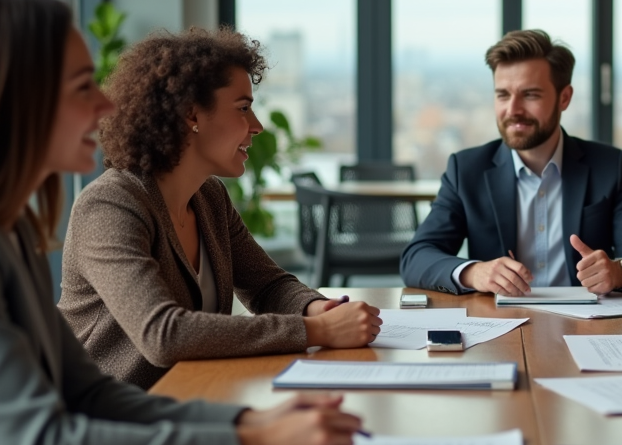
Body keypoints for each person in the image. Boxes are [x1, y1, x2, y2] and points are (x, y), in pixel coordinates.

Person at [0, 0, 365, 445]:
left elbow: (88, 395)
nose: (105, 105)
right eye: (80, 87)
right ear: (16, 101)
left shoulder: (4, 227)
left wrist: (249, 422)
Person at [59, 28, 382, 390]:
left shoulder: (209, 197)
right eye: (243, 109)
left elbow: (267, 286)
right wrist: (315, 330)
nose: (257, 126)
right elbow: (163, 334)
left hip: (192, 400)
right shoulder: (110, 205)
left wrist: (316, 309)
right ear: (191, 114)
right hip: (109, 426)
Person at [400, 29, 622, 296]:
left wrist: (618, 271)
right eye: (503, 95)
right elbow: (416, 257)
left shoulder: (609, 166)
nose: (513, 109)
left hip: (586, 326)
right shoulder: (467, 169)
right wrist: (475, 273)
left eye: (530, 95)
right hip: (499, 325)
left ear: (564, 98)